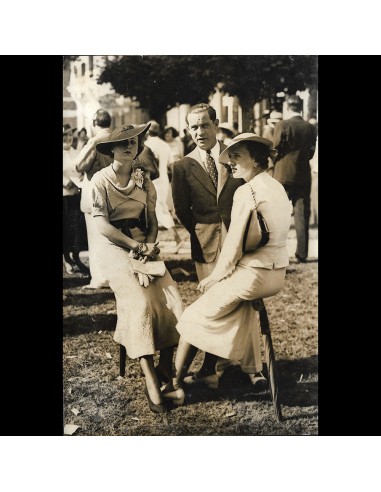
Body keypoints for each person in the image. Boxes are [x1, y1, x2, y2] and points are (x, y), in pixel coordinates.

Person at [164, 133, 292, 405]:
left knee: (190, 318)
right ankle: (210, 374)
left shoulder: (248, 191)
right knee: (226, 311)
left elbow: (233, 245)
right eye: (229, 156)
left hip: (253, 277)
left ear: (256, 160)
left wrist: (215, 277)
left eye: (237, 156)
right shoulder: (276, 186)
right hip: (276, 274)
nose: (231, 162)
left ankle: (174, 385)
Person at [171, 103, 266, 388]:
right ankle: (215, 367)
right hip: (207, 245)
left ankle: (253, 368)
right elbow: (182, 211)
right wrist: (205, 233)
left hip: (241, 242)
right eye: (193, 127)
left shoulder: (234, 156)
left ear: (216, 124)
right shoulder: (182, 165)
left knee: (246, 303)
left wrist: (238, 232)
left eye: (204, 125)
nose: (199, 132)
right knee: (213, 306)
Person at [92, 123, 183, 414]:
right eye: (122, 144)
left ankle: (166, 367)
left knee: (173, 300)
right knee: (141, 303)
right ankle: (150, 377)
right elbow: (102, 226)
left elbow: (153, 221)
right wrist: (135, 248)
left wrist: (150, 246)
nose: (129, 146)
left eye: (133, 141)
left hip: (144, 246)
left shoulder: (144, 180)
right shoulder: (100, 180)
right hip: (116, 248)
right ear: (111, 150)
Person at [272, 95, 317, 263]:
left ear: (287, 107)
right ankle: (302, 253)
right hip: (303, 174)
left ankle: (276, 253)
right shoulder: (310, 128)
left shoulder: (282, 125)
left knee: (278, 213)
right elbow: (311, 153)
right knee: (301, 215)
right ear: (301, 107)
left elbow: (274, 149)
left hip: (282, 174)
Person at [73, 109, 113, 289]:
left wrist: (88, 143)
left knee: (96, 238)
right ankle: (114, 275)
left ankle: (100, 278)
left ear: (94, 123)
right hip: (114, 193)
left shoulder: (95, 141)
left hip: (95, 194)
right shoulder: (117, 138)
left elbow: (80, 165)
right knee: (112, 237)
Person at [145, 121, 183, 251]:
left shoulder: (146, 145)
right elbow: (172, 165)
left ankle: (177, 238)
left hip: (151, 181)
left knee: (158, 210)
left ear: (148, 131)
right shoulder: (165, 146)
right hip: (164, 181)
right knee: (159, 209)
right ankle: (153, 241)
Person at [63, 123, 89, 275]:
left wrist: (78, 179)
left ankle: (76, 257)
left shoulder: (76, 151)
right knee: (65, 228)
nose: (67, 138)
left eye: (69, 135)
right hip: (64, 196)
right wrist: (68, 183)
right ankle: (67, 259)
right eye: (64, 135)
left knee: (77, 229)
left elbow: (81, 168)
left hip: (76, 195)